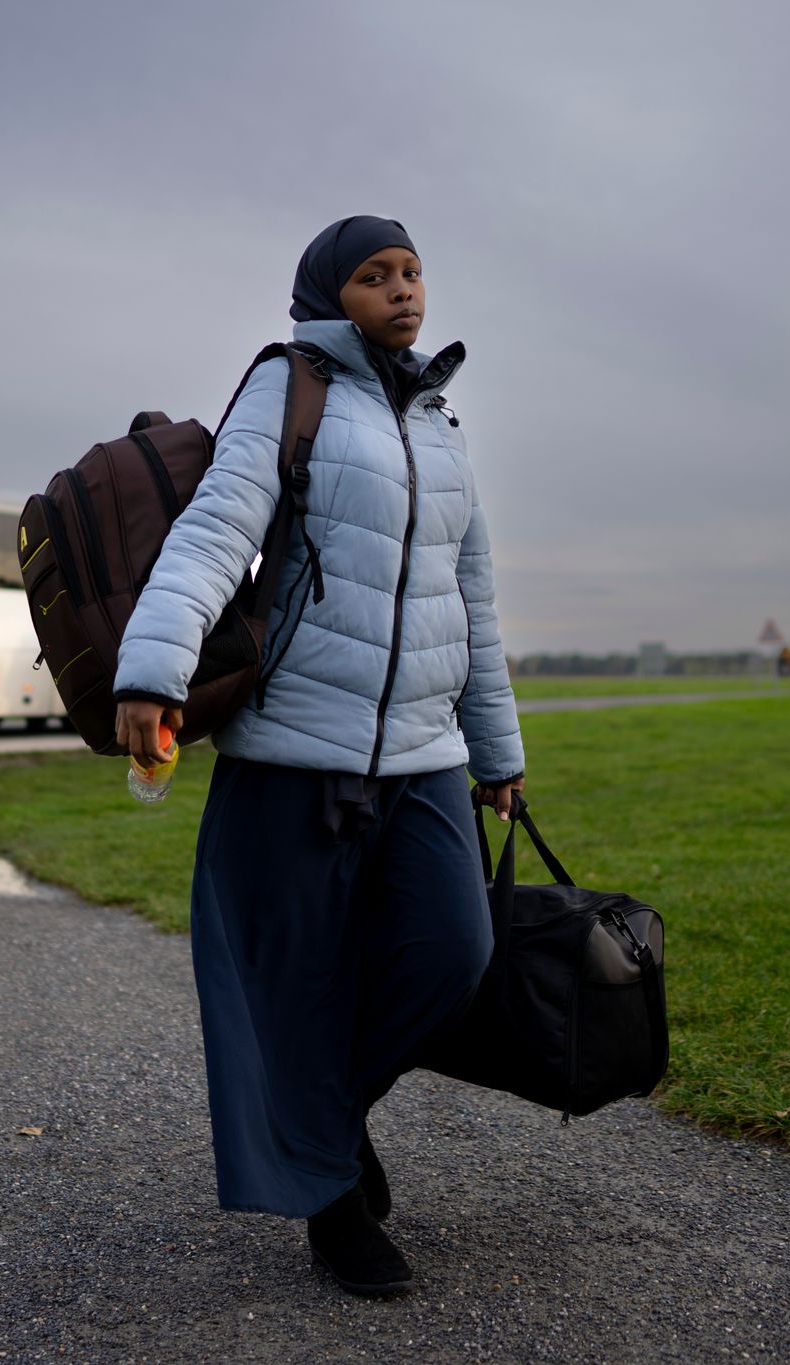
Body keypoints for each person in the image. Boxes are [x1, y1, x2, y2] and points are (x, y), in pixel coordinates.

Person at [112, 216, 526, 1296]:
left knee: (451, 957)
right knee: (293, 983)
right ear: (324, 293)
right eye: (373, 276)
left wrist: (496, 748)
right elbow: (215, 528)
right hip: (297, 747)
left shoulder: (439, 418)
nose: (401, 292)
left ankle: (325, 1127)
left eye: (411, 273)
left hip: (426, 751)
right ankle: (333, 1205)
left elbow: (467, 596)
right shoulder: (290, 387)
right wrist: (151, 671)